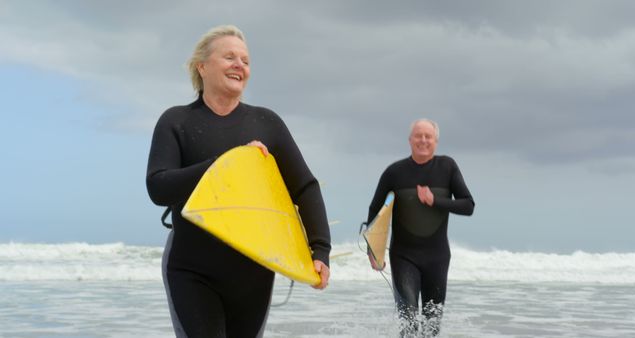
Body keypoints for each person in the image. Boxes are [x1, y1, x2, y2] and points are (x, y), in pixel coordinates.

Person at [146, 25, 331, 338]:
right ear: (201, 66)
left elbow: (305, 187)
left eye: (245, 61)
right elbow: (159, 187)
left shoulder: (266, 123)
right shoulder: (176, 121)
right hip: (191, 268)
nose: (239, 65)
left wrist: (320, 251)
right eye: (229, 57)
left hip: (254, 273)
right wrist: (224, 163)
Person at [366, 119, 474, 336]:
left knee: (432, 325)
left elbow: (468, 205)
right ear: (410, 140)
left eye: (428, 136)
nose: (423, 140)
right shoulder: (394, 173)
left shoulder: (447, 167)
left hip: (437, 257)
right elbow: (375, 210)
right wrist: (373, 251)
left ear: (436, 141)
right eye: (418, 136)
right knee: (408, 322)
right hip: (404, 257)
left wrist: (436, 201)